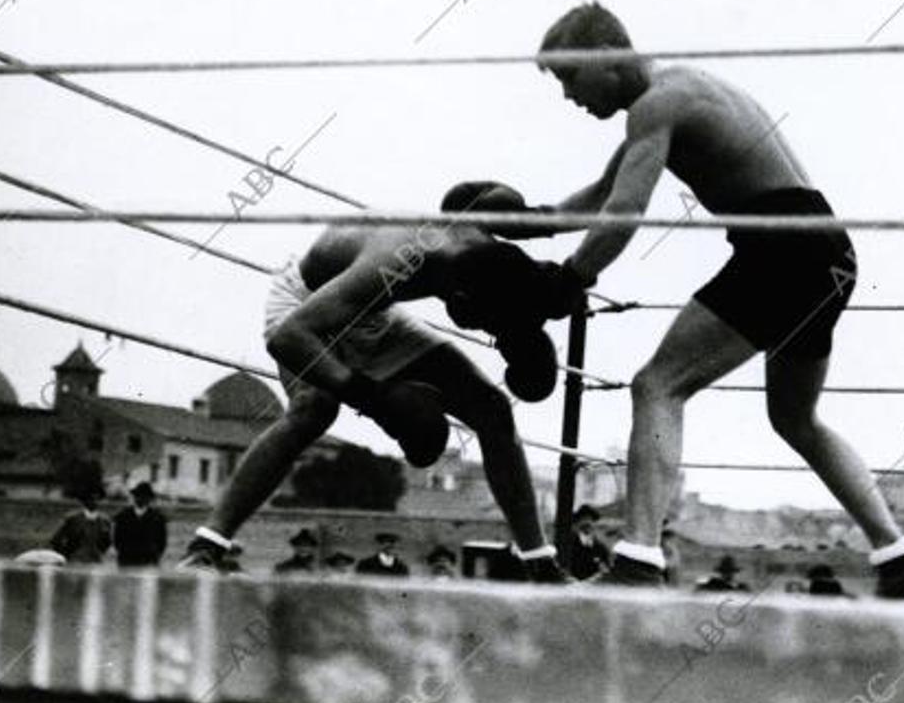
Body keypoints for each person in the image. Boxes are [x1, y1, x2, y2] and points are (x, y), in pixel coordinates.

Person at [525, 1, 904, 595]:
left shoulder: (655, 106)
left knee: (657, 384)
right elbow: (600, 193)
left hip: (783, 249)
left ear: (607, 61)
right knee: (795, 418)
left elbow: (622, 214)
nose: (567, 97)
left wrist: (569, 279)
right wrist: (521, 220)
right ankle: (899, 555)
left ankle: (638, 561)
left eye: (569, 78)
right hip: (827, 251)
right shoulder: (673, 92)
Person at [177, 185, 571, 583]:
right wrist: (374, 399)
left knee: (492, 408)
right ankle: (205, 548)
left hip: (371, 314)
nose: (478, 324)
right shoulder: (398, 259)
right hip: (308, 309)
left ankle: (540, 563)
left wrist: (575, 275)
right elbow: (289, 338)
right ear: (463, 294)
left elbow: (591, 206)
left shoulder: (482, 245)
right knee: (313, 410)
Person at [49, 487, 112, 565]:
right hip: (75, 561)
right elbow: (56, 539)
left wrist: (100, 552)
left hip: (96, 561)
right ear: (84, 501)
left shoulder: (104, 521)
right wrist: (65, 555)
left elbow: (108, 542)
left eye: (97, 499)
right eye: (91, 499)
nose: (94, 502)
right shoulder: (72, 519)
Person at [112, 482, 168, 568]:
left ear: (149, 499)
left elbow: (162, 542)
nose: (141, 498)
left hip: (149, 561)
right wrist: (123, 553)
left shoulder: (157, 518)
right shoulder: (123, 516)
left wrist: (155, 555)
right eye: (138, 495)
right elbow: (117, 539)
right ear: (134, 497)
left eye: (144, 496)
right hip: (127, 560)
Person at [569, 504, 611, 580]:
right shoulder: (569, 545)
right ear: (577, 522)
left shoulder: (601, 548)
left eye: (591, 519)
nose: (587, 522)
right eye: (583, 518)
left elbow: (607, 571)